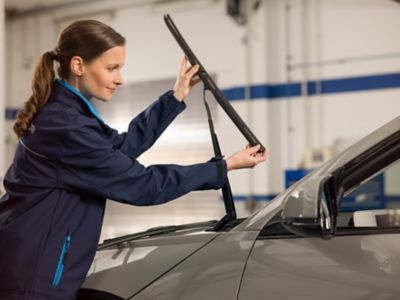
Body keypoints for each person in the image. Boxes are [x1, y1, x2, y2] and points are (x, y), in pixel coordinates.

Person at [0, 20, 267, 300]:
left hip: (29, 267)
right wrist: (224, 166)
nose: (120, 78)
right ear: (79, 66)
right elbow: (143, 185)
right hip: (32, 278)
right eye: (111, 68)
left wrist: (175, 97)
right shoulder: (67, 126)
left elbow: (121, 148)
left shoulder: (68, 116)